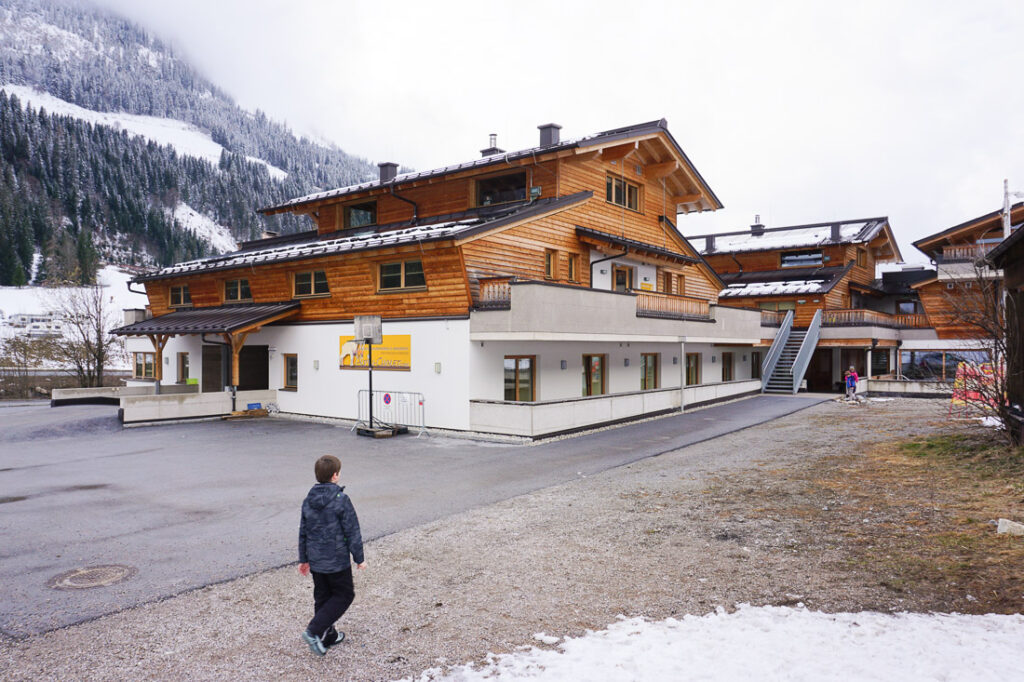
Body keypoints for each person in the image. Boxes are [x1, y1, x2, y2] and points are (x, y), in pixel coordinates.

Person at [298, 454, 367, 656]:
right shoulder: (341, 500)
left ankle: (328, 635)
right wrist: (359, 558)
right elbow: (352, 530)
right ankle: (313, 631)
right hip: (336, 561)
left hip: (316, 560)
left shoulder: (308, 500)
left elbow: (303, 531)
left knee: (323, 596)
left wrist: (304, 558)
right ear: (335, 475)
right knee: (345, 595)